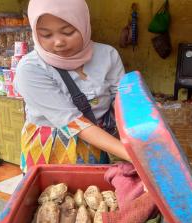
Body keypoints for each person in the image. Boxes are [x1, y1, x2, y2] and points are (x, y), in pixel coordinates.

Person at [15, 0, 131, 173]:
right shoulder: (31, 68)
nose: (59, 42)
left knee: (96, 192)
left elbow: (122, 98)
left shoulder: (107, 55)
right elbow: (71, 121)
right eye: (46, 35)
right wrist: (131, 154)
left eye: (68, 32)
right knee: (53, 196)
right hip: (51, 147)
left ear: (84, 24)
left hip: (100, 141)